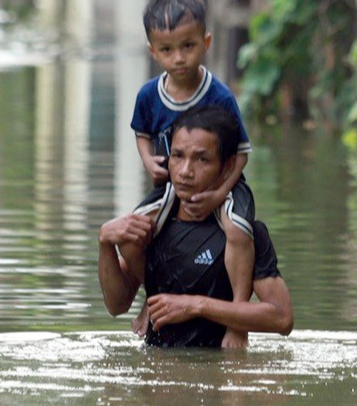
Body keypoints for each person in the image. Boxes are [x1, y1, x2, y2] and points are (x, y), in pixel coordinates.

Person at [99, 105, 293, 348]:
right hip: (157, 377)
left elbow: (282, 318)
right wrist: (105, 243)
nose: (185, 171)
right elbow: (117, 306)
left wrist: (196, 305)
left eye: (202, 159)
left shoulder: (246, 235)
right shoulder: (153, 229)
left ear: (227, 167)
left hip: (220, 376)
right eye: (178, 156)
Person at [130, 0, 258, 348]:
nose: (179, 58)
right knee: (134, 233)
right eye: (167, 50)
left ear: (206, 43)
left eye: (188, 46)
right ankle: (150, 303)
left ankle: (238, 318)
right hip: (173, 187)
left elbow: (242, 154)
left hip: (225, 184)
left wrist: (220, 193)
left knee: (237, 229)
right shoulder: (149, 95)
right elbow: (141, 134)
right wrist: (147, 160)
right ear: (153, 51)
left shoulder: (219, 96)